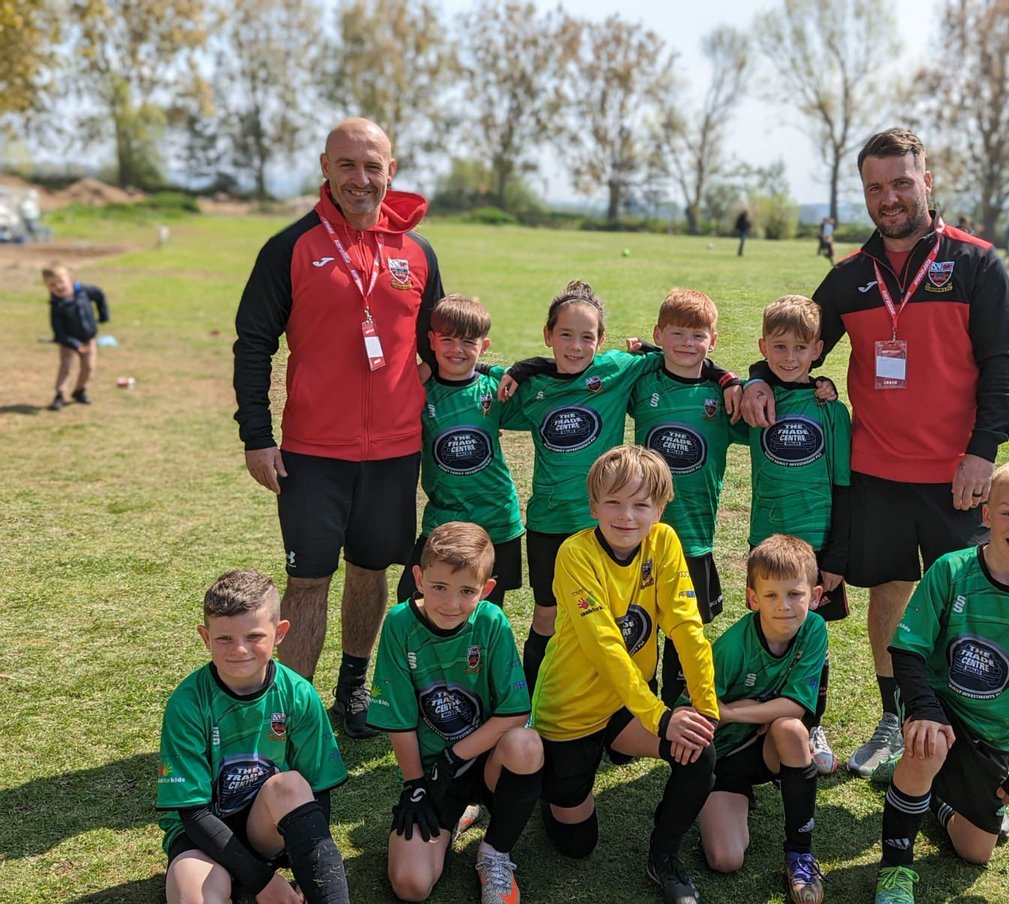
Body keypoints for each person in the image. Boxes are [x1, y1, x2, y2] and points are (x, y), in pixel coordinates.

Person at [741, 128, 1009, 782]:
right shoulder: (849, 276)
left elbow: (1004, 366)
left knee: (966, 604)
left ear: (927, 181)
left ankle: (962, 734)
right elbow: (797, 338)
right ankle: (895, 719)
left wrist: (983, 454)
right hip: (875, 472)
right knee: (889, 600)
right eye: (876, 187)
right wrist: (758, 375)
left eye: (901, 183)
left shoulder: (977, 263)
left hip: (956, 476)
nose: (889, 197)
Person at [232, 117, 444, 738]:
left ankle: (352, 689)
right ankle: (289, 715)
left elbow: (441, 344)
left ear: (391, 171)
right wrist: (256, 434)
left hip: (395, 451)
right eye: (347, 165)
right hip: (311, 452)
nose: (360, 179)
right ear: (325, 167)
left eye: (372, 166)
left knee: (373, 570)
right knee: (307, 580)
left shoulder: (418, 251)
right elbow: (253, 344)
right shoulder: (290, 247)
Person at [495, 281, 738, 694]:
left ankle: (627, 698)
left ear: (601, 340)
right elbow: (487, 395)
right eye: (566, 335)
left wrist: (730, 378)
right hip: (549, 523)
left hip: (607, 527)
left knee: (614, 616)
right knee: (547, 616)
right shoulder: (532, 387)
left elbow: (675, 356)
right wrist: (519, 369)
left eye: (587, 337)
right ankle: (533, 703)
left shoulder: (619, 370)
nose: (576, 346)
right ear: (548, 335)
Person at [871, 459, 1009, 904]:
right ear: (986, 514)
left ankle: (931, 795)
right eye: (1008, 512)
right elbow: (907, 651)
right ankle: (896, 868)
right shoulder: (950, 571)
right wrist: (923, 710)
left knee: (976, 851)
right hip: (939, 705)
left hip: (990, 732)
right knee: (929, 744)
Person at [532, 445, 719, 904]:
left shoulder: (665, 542)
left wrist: (706, 708)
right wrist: (660, 717)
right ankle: (544, 782)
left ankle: (664, 856)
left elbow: (686, 625)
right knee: (577, 846)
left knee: (699, 748)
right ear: (594, 506)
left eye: (641, 504)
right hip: (569, 713)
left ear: (660, 508)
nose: (627, 516)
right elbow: (606, 648)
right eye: (613, 503)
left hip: (622, 708)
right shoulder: (574, 554)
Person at [367, 522, 543, 904]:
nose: (450, 604)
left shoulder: (492, 623)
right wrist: (415, 784)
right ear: (419, 577)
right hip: (435, 774)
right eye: (439, 588)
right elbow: (399, 718)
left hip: (488, 760)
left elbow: (514, 712)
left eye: (467, 591)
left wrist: (456, 754)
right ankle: (460, 813)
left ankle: (494, 854)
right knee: (410, 885)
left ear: (486, 590)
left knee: (526, 744)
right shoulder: (399, 624)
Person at [157, 570, 350, 904]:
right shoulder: (188, 702)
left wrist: (311, 868)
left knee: (289, 785)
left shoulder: (298, 694)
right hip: (201, 841)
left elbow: (317, 790)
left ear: (280, 633)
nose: (240, 649)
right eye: (224, 639)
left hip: (266, 830)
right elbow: (193, 814)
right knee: (195, 898)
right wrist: (263, 883)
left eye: (254, 636)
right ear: (205, 637)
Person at [740, 295, 852, 775]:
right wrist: (751, 380)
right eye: (779, 346)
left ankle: (810, 721)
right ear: (764, 346)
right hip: (765, 541)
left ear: (819, 350)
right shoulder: (755, 401)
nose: (789, 357)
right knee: (767, 629)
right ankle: (763, 715)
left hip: (818, 546)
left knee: (811, 638)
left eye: (800, 347)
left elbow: (847, 487)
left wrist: (838, 555)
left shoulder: (832, 409)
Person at [690, 534, 829, 903]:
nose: (784, 606)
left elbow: (795, 708)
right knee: (725, 859)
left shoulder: (814, 628)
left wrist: (734, 711)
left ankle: (800, 853)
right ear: (753, 599)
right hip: (720, 759)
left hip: (766, 744)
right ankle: (722, 801)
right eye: (770, 596)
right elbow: (698, 713)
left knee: (791, 728)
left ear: (814, 596)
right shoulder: (732, 648)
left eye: (795, 594)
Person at [626, 288, 738, 707]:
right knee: (640, 621)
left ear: (713, 340)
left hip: (693, 535)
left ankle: (679, 700)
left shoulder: (725, 396)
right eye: (676, 334)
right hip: (642, 534)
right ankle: (640, 701)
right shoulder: (642, 382)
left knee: (685, 626)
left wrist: (731, 378)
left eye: (697, 336)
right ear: (659, 334)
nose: (686, 345)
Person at [394, 295, 525, 609]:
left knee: (486, 606)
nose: (457, 349)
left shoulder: (495, 386)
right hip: (444, 518)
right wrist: (416, 374)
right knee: (411, 596)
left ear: (484, 345)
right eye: (447, 339)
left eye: (469, 341)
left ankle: (479, 659)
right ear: (431, 340)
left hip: (497, 518)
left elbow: (547, 387)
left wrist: (516, 371)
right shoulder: (420, 389)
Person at [42, 262, 109, 411]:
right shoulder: (57, 306)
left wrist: (103, 315)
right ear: (48, 288)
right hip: (69, 342)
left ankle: (80, 390)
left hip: (88, 338)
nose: (58, 286)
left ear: (70, 280)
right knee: (66, 366)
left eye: (60, 281)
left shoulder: (83, 291)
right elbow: (59, 333)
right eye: (52, 285)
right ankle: (60, 394)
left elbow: (99, 294)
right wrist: (74, 344)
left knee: (89, 367)